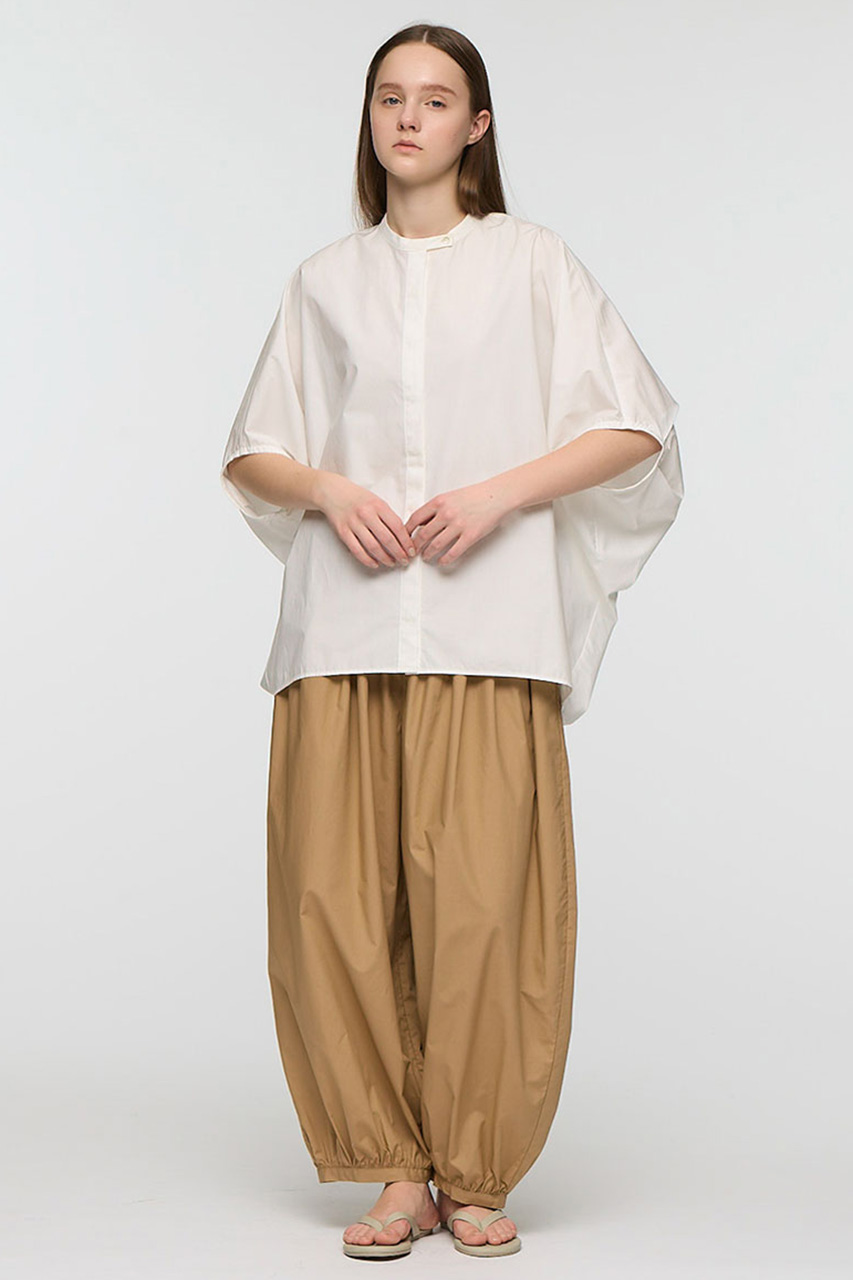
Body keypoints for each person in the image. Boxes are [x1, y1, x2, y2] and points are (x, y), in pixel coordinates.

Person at [219, 23, 683, 1262]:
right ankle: (391, 1168)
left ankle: (472, 1167)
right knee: (332, 903)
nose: (408, 117)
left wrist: (498, 495)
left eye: (435, 99)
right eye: (389, 97)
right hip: (342, 629)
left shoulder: (533, 262)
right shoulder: (323, 280)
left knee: (483, 904)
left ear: (477, 126)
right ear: (368, 118)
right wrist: (327, 491)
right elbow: (252, 449)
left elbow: (636, 423)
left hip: (490, 627)